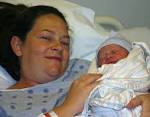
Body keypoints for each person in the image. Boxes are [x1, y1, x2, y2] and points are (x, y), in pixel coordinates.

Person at [0, 4, 149, 117]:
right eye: (46, 37)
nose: (58, 47)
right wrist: (68, 108)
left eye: (65, 42)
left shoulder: (88, 67)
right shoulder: (5, 103)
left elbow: (133, 73)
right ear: (18, 46)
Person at [80, 37, 150, 117]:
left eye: (114, 52)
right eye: (102, 57)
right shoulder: (100, 73)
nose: (108, 56)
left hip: (133, 101)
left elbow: (142, 77)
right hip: (103, 102)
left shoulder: (134, 65)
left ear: (130, 54)